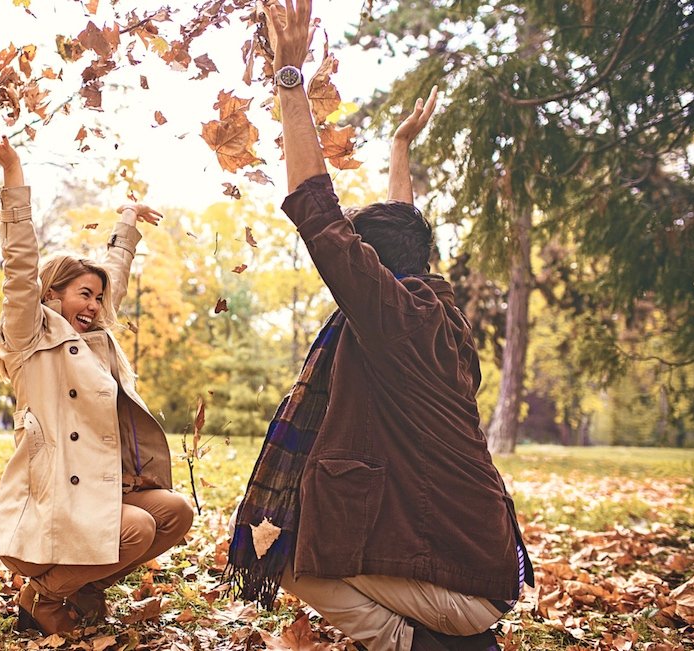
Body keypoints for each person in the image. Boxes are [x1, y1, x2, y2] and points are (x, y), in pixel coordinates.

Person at [224, 2, 534, 650]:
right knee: (297, 531)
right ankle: (445, 629)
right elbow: (404, 233)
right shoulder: (435, 309)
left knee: (274, 545)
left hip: (465, 585)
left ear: (376, 268)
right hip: (486, 563)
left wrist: (290, 75)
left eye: (364, 258)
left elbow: (318, 209)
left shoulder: (393, 319)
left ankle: (423, 644)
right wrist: (399, 146)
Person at [0, 130, 194, 636]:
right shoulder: (29, 338)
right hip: (49, 506)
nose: (93, 307)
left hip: (92, 493)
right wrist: (13, 176)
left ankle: (83, 583)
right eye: (83, 296)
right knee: (136, 528)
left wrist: (127, 227)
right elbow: (18, 268)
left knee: (176, 513)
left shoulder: (97, 343)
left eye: (98, 299)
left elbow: (113, 276)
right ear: (51, 295)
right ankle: (43, 593)